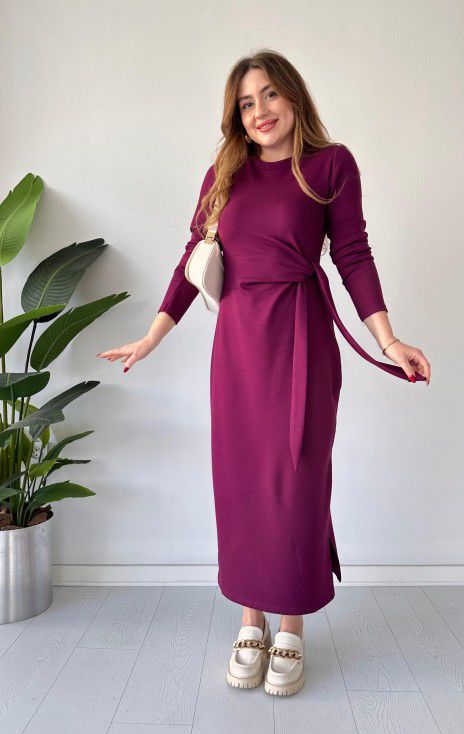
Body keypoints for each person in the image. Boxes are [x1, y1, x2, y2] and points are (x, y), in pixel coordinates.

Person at [97, 49, 431, 697]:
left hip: (302, 335)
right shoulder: (224, 172)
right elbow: (193, 259)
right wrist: (152, 335)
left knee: (297, 478)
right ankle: (250, 621)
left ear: (294, 97)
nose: (260, 111)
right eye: (246, 103)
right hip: (239, 347)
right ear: (236, 116)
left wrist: (388, 339)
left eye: (270, 95)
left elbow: (353, 254)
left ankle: (292, 626)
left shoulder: (331, 165)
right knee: (244, 480)